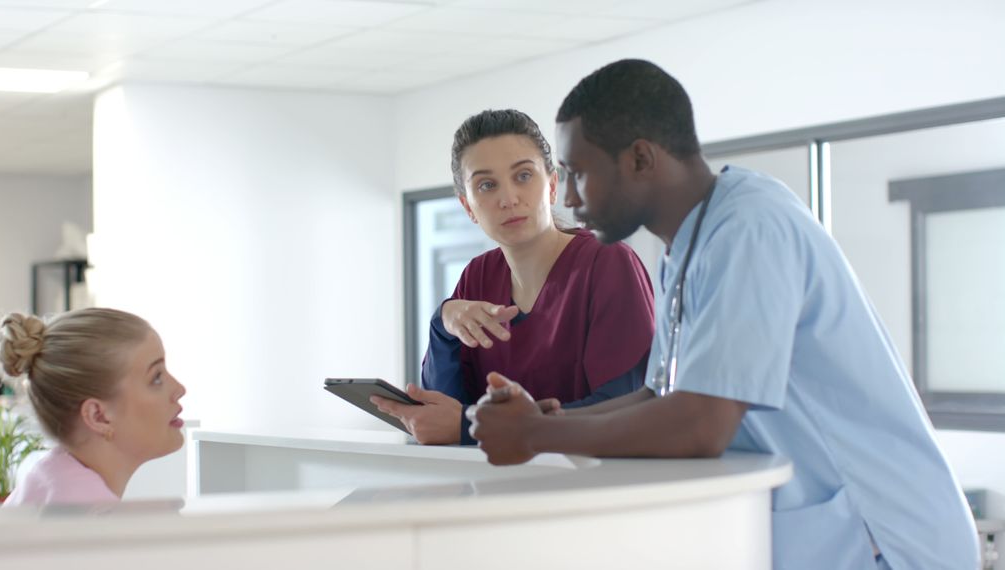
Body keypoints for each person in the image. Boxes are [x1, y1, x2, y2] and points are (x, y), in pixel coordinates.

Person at [466, 60, 979, 569]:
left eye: (579, 173)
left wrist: (536, 436)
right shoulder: (686, 246)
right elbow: (658, 395)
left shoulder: (749, 229)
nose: (570, 197)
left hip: (891, 540)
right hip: (829, 539)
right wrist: (550, 417)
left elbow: (700, 424)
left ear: (640, 159)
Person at [372, 109, 655, 445]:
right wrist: (443, 322)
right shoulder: (478, 277)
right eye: (487, 185)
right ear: (468, 207)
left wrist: (466, 426)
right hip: (495, 491)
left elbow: (622, 408)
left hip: (589, 487)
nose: (508, 199)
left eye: (523, 176)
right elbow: (443, 413)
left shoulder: (607, 263)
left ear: (551, 185)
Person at [0, 308, 186, 506]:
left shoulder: (49, 480)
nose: (179, 389)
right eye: (156, 378)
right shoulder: (89, 514)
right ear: (98, 416)